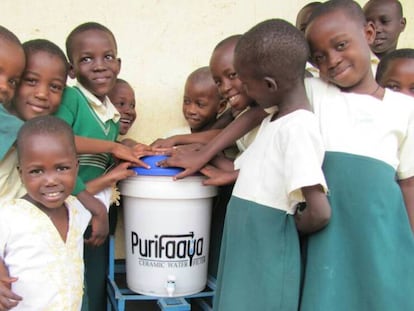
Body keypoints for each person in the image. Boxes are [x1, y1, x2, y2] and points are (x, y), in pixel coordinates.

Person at [209, 19, 331, 311]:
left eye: (245, 82)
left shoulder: (298, 128)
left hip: (266, 253)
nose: (243, 88)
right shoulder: (274, 121)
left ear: (269, 85)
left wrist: (280, 233)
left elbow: (320, 211)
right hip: (246, 248)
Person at [301, 1, 414, 310]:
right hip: (331, 240)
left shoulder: (405, 109)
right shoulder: (316, 93)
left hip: (383, 238)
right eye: (320, 57)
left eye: (340, 45)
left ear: (368, 33)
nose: (332, 61)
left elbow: (408, 186)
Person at [54, 22, 150, 311]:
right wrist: (112, 146)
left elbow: (103, 161)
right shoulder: (71, 97)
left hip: (94, 209)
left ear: (118, 64)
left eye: (107, 57)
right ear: (72, 70)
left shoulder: (110, 114)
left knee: (93, 281)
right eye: (87, 59)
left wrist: (129, 149)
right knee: (69, 284)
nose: (99, 66)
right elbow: (58, 141)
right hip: (66, 208)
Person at [0, 115, 93, 310]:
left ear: (76, 169)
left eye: (61, 168)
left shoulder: (78, 210)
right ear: (20, 173)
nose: (50, 180)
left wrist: (100, 214)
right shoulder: (9, 215)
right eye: (36, 171)